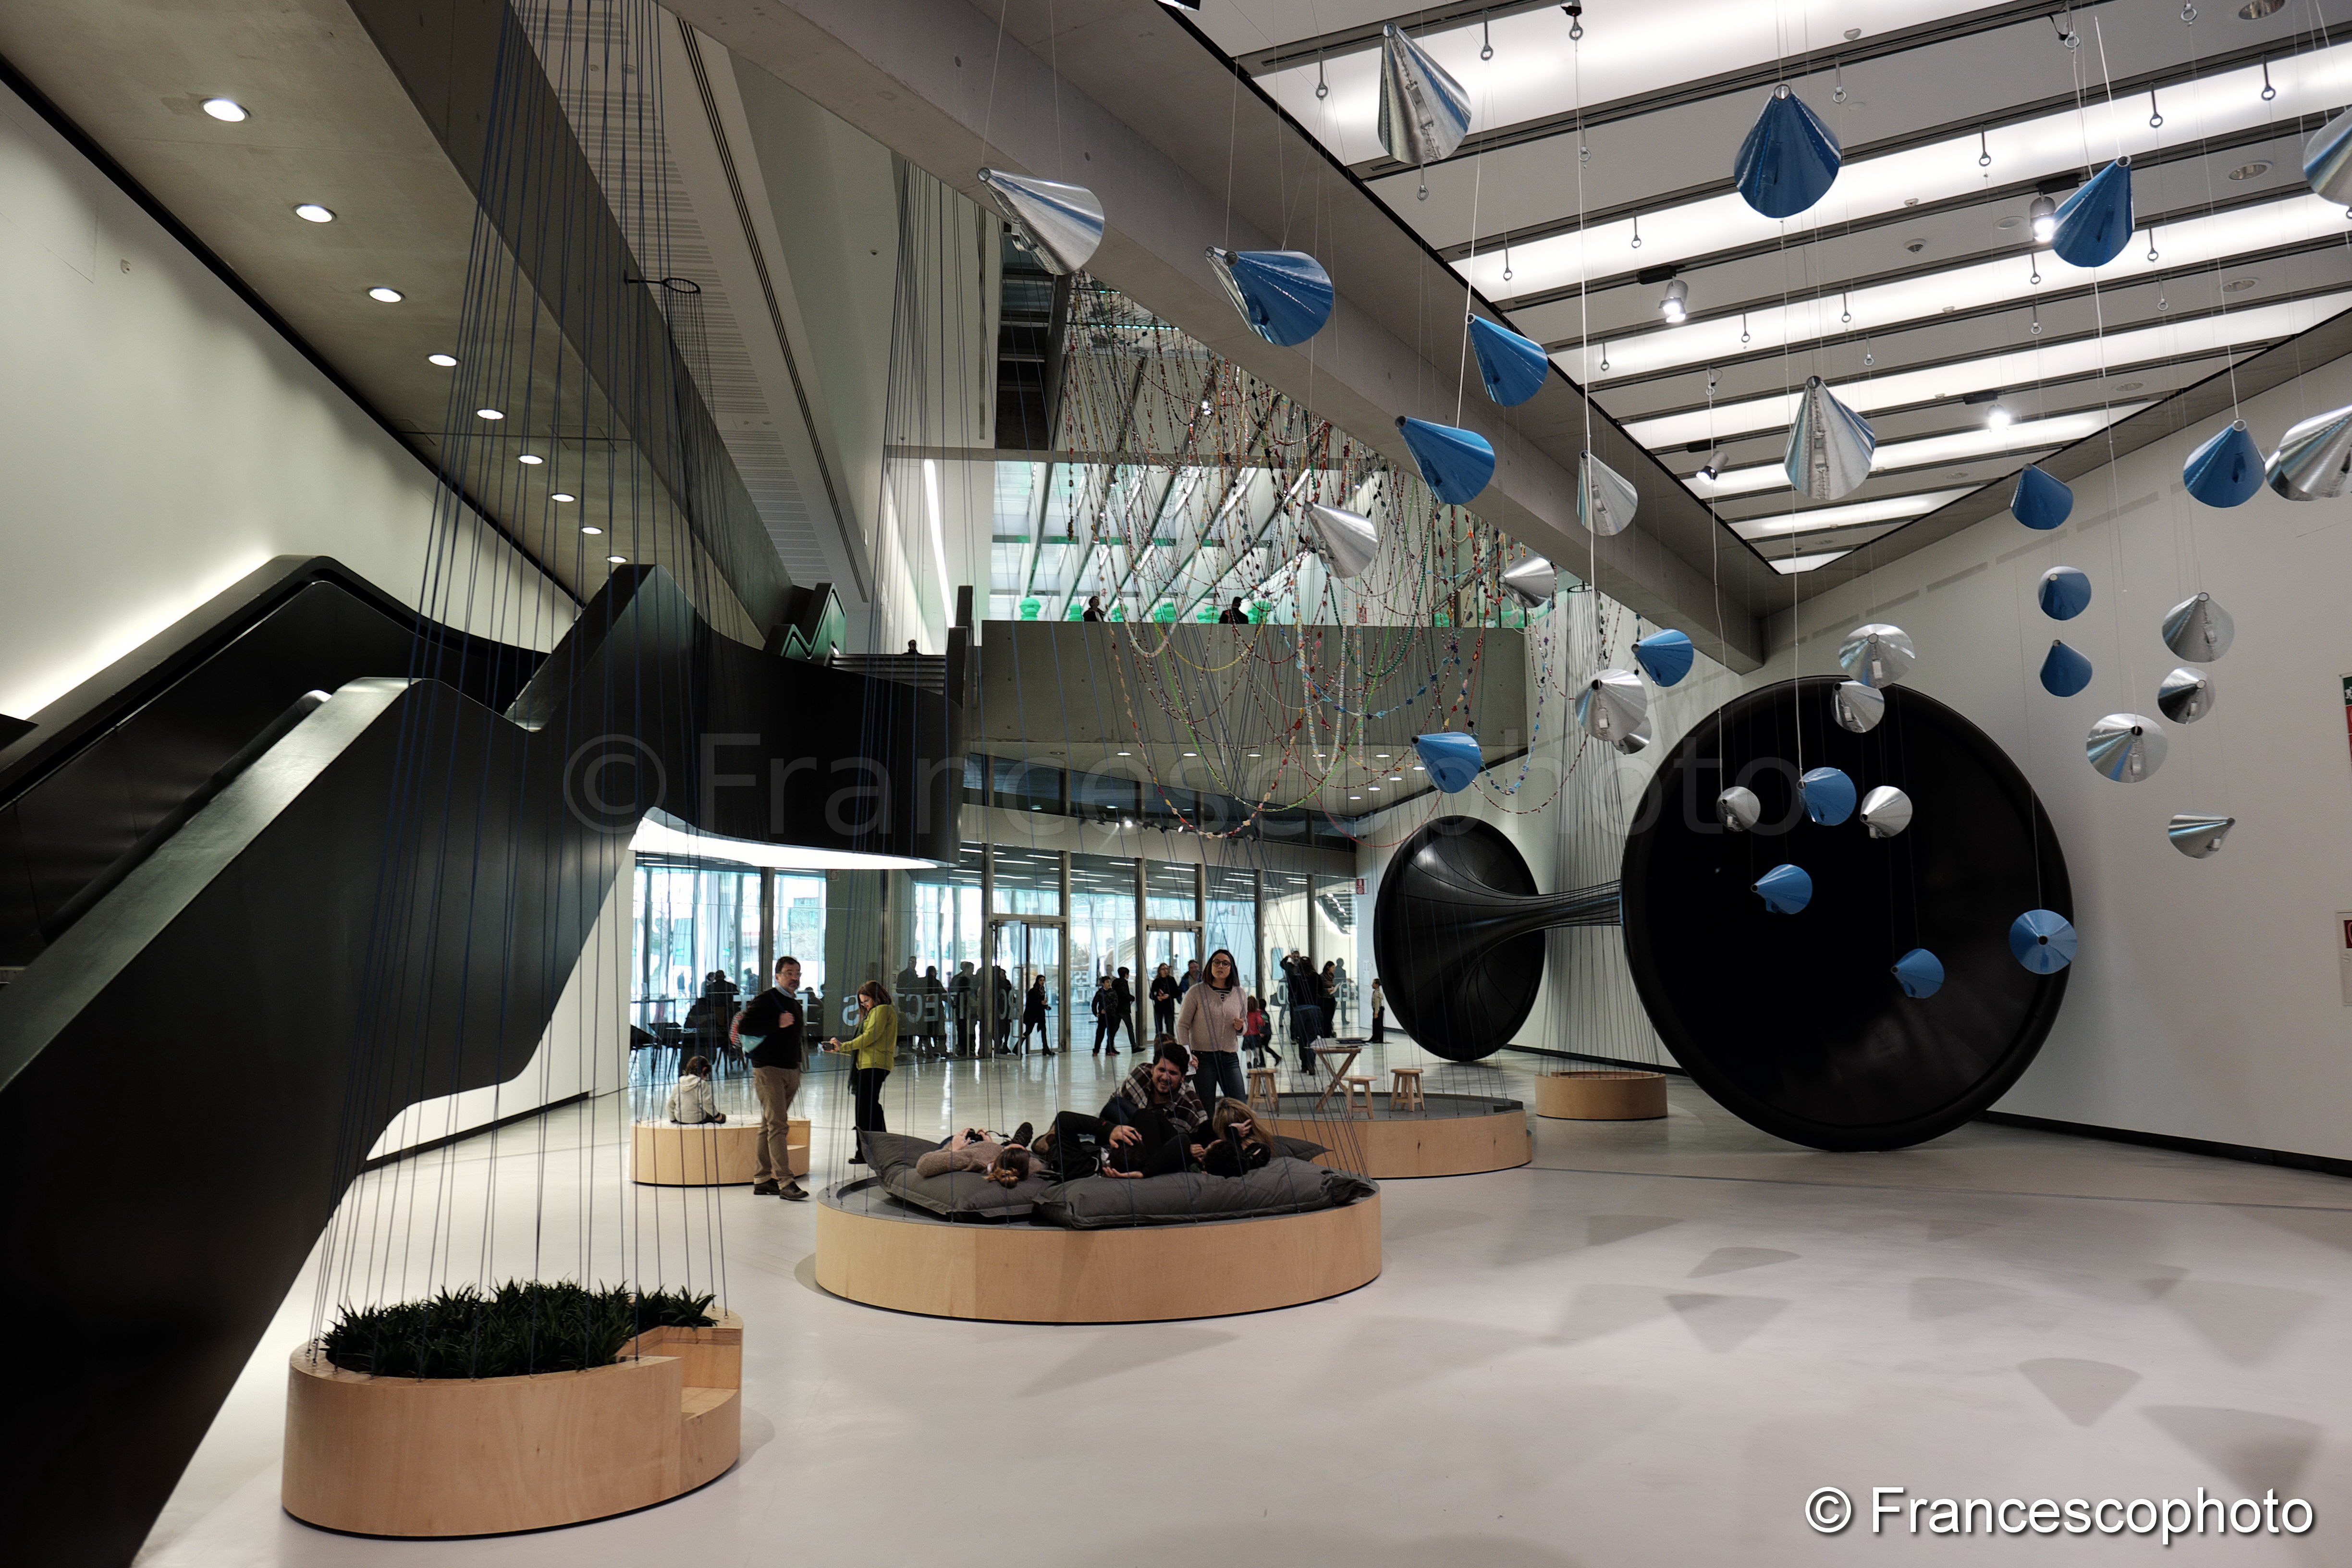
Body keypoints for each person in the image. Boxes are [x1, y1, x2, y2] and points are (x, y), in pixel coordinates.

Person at [734, 956, 808, 1200]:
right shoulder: (767, 999)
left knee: (769, 1125)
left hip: (790, 1069)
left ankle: (762, 1179)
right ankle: (785, 1182)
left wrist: (797, 1066)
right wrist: (777, 1022)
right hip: (768, 1070)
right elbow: (744, 1028)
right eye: (789, 973)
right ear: (777, 976)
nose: (794, 978)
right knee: (778, 1126)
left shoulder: (794, 1003)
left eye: (797, 973)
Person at [821, 980, 898, 1160]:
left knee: (865, 1110)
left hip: (873, 1065)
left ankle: (866, 1152)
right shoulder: (879, 1012)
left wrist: (845, 1046)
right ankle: (881, 1149)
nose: (865, 1005)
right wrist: (840, 1049)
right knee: (871, 1108)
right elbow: (866, 1046)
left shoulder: (882, 1010)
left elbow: (869, 1038)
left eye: (867, 1001)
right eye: (862, 1003)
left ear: (877, 997)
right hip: (871, 1064)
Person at [1177, 947, 1250, 1108]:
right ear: (1210, 966)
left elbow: (1244, 1025)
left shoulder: (1240, 994)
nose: (1220, 966)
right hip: (1203, 1059)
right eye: (1216, 963)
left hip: (1230, 1058)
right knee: (1206, 1108)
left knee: (1239, 1106)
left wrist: (1241, 1027)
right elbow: (1183, 1025)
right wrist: (1187, 1053)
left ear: (1231, 968)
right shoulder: (1196, 992)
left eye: (1225, 963)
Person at [665, 1055, 725, 1125]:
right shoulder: (701, 1084)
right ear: (704, 1070)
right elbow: (706, 1102)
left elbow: (669, 1105)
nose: (706, 1078)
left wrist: (673, 1119)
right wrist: (717, 1115)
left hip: (680, 1118)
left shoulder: (678, 1085)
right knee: (722, 1117)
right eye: (706, 1075)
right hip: (697, 1118)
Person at [1018, 971, 1053, 1054]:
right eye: (1041, 980)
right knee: (1028, 1031)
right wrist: (1041, 1003)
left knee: (1043, 1030)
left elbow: (1040, 1004)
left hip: (1039, 1015)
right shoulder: (1033, 991)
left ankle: (1046, 1048)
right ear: (1037, 981)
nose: (1042, 982)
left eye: (1044, 980)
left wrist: (1045, 1006)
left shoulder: (1042, 991)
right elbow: (1032, 1003)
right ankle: (1017, 1047)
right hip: (1032, 1015)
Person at [949, 961, 976, 1055]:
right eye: (972, 969)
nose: (973, 971)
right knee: (963, 1028)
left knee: (966, 1028)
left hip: (966, 1008)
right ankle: (964, 1047)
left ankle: (967, 1047)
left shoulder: (968, 979)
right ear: (966, 969)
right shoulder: (961, 980)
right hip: (963, 1008)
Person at [1090, 973, 1120, 1056]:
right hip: (1103, 1017)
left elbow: (1115, 1003)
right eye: (1107, 982)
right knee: (1100, 1034)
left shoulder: (1113, 992)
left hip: (1112, 1016)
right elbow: (1094, 1004)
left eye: (1110, 982)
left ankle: (1109, 1050)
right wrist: (1096, 1013)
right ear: (1103, 984)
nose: (1109, 984)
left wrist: (1106, 1010)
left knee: (1111, 1034)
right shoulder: (1100, 993)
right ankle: (1096, 1050)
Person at [1148, 962, 1178, 1042]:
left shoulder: (1171, 980)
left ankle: (1171, 1044)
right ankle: (1159, 1044)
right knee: (1159, 1029)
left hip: (1169, 1007)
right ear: (1160, 971)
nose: (1166, 971)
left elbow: (1177, 993)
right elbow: (1151, 995)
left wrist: (1169, 996)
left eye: (1167, 969)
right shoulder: (1156, 981)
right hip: (1159, 1007)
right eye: (1163, 969)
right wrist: (1157, 998)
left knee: (1170, 1028)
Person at [1110, 965, 1138, 1053]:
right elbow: (1124, 995)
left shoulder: (1115, 982)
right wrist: (1132, 998)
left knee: (1115, 1028)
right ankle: (1134, 1046)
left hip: (1117, 1008)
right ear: (1126, 975)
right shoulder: (1124, 983)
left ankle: (1110, 1046)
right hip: (1124, 1009)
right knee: (1130, 1027)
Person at [991, 963, 1017, 1054]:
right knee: (1000, 1027)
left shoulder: (1007, 983)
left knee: (1007, 1027)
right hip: (999, 1009)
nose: (1004, 975)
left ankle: (1005, 1044)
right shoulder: (995, 983)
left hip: (1007, 1009)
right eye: (1002, 973)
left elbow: (1010, 994)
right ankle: (999, 1044)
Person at [1243, 994, 1271, 1067]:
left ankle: (1249, 1066)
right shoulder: (1257, 1013)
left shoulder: (1245, 1013)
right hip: (1255, 1035)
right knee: (1256, 1052)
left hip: (1247, 1035)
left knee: (1248, 1052)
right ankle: (1256, 1064)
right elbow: (1260, 1022)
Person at [1369, 977, 1386, 1043]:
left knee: (1378, 1025)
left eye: (1373, 983)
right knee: (1375, 1025)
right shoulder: (1375, 992)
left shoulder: (1377, 994)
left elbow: (1377, 1004)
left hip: (1378, 1011)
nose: (1372, 985)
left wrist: (1376, 1013)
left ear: (1377, 985)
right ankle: (1375, 1037)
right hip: (1377, 1010)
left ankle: (1378, 1038)